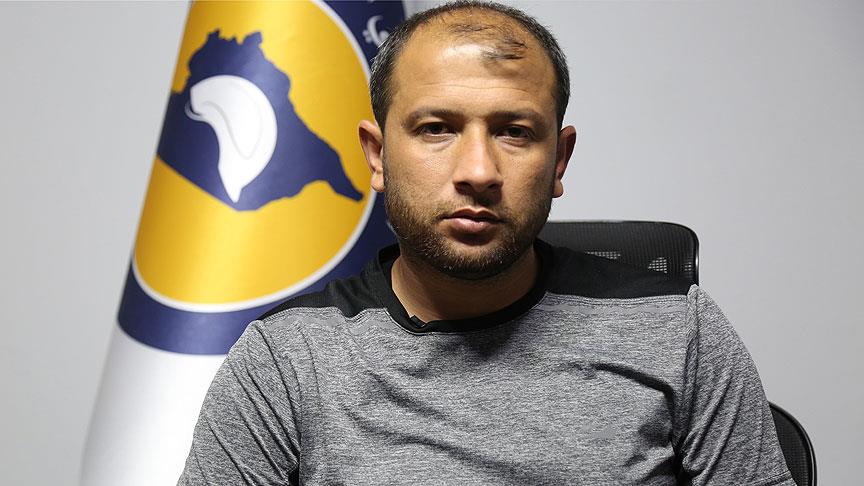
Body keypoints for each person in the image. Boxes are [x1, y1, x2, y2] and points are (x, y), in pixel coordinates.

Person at [178, 2, 795, 485]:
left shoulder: (679, 331)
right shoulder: (287, 360)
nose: (478, 170)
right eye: (436, 128)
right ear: (378, 156)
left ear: (559, 160)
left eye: (514, 132)